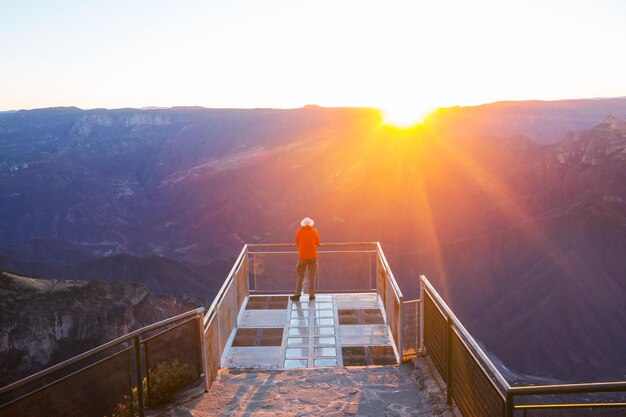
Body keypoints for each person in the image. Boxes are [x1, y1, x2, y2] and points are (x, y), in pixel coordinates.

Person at [291, 217, 320, 301]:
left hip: (302, 256)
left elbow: (297, 242)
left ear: (303, 224)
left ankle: (297, 294)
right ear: (311, 224)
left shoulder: (299, 231)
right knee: (312, 276)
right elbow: (318, 242)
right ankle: (311, 294)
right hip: (312, 256)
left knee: (300, 276)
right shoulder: (314, 231)